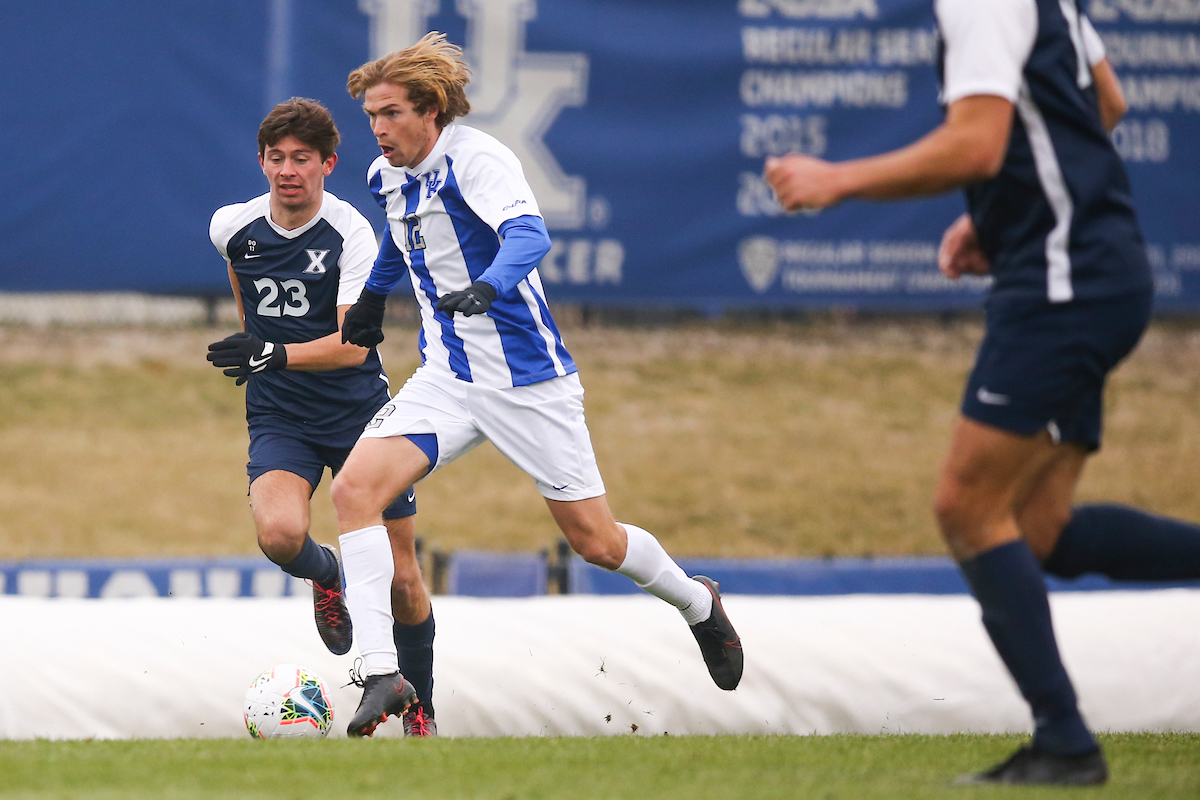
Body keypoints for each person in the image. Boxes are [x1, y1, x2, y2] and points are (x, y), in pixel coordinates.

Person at [766, 0, 1200, 785]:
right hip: (1095, 271)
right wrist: (1004, 221)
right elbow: (1107, 103)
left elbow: (978, 142)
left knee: (966, 507)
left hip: (1064, 285)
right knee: (1036, 530)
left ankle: (1065, 744)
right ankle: (1063, 740)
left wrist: (839, 178)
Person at [327, 32, 743, 738]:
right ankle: (379, 671)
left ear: (431, 110)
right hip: (449, 377)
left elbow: (529, 237)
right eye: (371, 117)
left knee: (597, 543)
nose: (379, 130)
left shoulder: (478, 158)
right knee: (352, 492)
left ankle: (697, 602)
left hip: (527, 381)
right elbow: (402, 244)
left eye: (390, 114)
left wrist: (489, 288)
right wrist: (374, 297)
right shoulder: (384, 176)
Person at [205, 98, 438, 737]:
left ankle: (421, 710)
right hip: (279, 415)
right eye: (276, 158)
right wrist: (261, 351)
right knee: (279, 535)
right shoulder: (233, 227)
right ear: (261, 161)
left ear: (328, 164)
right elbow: (247, 293)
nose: (288, 171)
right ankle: (328, 573)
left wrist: (271, 353)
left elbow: (354, 344)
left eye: (302, 159)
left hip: (361, 415)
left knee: (402, 581)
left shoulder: (352, 234)